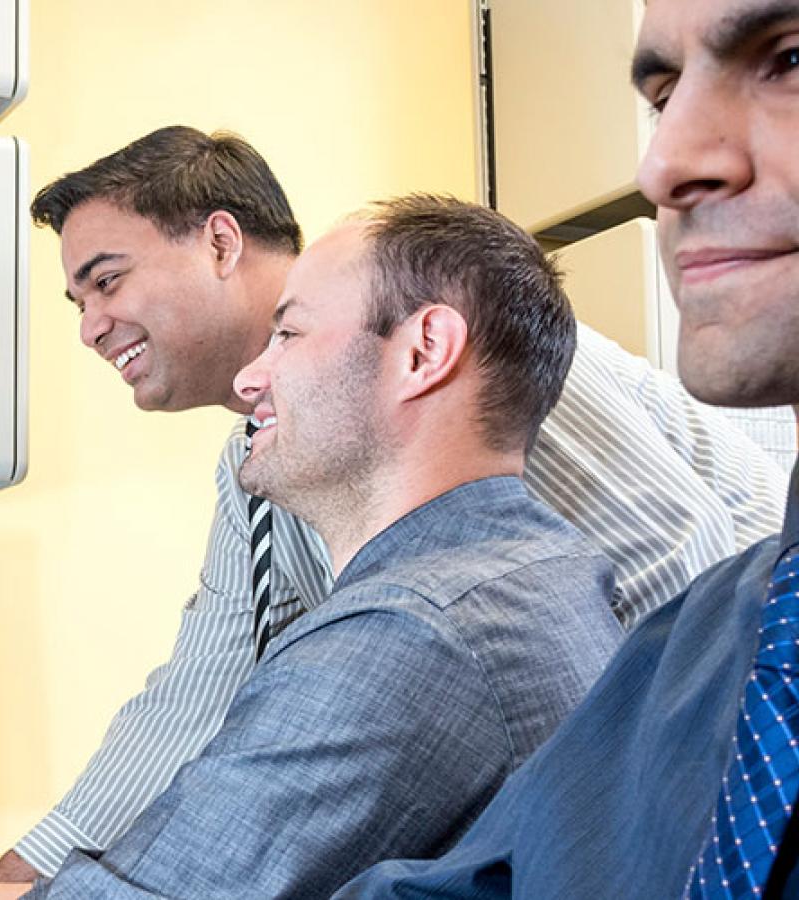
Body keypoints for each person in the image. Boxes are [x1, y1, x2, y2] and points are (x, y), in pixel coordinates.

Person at [0, 127, 787, 900]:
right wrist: (8, 879)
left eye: (106, 278)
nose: (89, 324)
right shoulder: (269, 470)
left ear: (219, 242)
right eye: (75, 299)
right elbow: (194, 696)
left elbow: (695, 582)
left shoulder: (469, 356)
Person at [334, 1, 799, 896]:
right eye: (663, 96)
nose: (663, 166)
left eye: (788, 59)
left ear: (426, 350)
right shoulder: (691, 650)